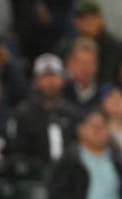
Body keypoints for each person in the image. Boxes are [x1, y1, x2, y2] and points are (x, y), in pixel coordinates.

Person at [49, 107, 122, 199]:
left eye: (103, 125)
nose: (98, 129)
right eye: (92, 125)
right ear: (80, 129)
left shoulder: (116, 159)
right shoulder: (69, 160)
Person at [9, 53, 80, 182]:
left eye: (54, 76)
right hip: (35, 179)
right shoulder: (23, 114)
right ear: (35, 81)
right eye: (45, 77)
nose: (50, 82)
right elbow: (18, 154)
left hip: (70, 179)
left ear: (62, 79)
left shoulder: (73, 114)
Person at [62, 37, 100, 109]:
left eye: (90, 62)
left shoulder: (102, 94)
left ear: (96, 66)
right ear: (68, 63)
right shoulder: (57, 88)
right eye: (79, 62)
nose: (85, 67)